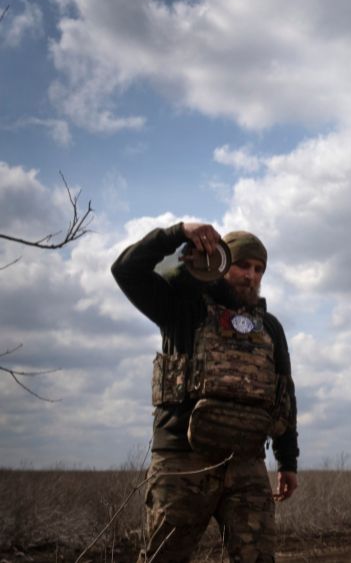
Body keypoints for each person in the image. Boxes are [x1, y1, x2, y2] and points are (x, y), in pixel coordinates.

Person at [113, 222, 298, 563]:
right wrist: (179, 232)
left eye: (259, 269)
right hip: (183, 462)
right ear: (223, 263)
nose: (252, 276)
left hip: (246, 462)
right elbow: (126, 270)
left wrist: (288, 460)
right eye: (243, 265)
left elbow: (284, 393)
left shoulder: (269, 327)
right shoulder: (183, 306)